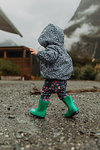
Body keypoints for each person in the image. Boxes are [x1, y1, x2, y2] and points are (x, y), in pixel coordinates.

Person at [29, 24, 79, 118]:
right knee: (62, 93)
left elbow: (50, 56)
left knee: (45, 93)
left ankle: (40, 111)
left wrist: (38, 53)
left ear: (47, 37)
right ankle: (72, 108)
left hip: (52, 78)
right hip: (62, 79)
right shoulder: (62, 50)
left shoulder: (52, 48)